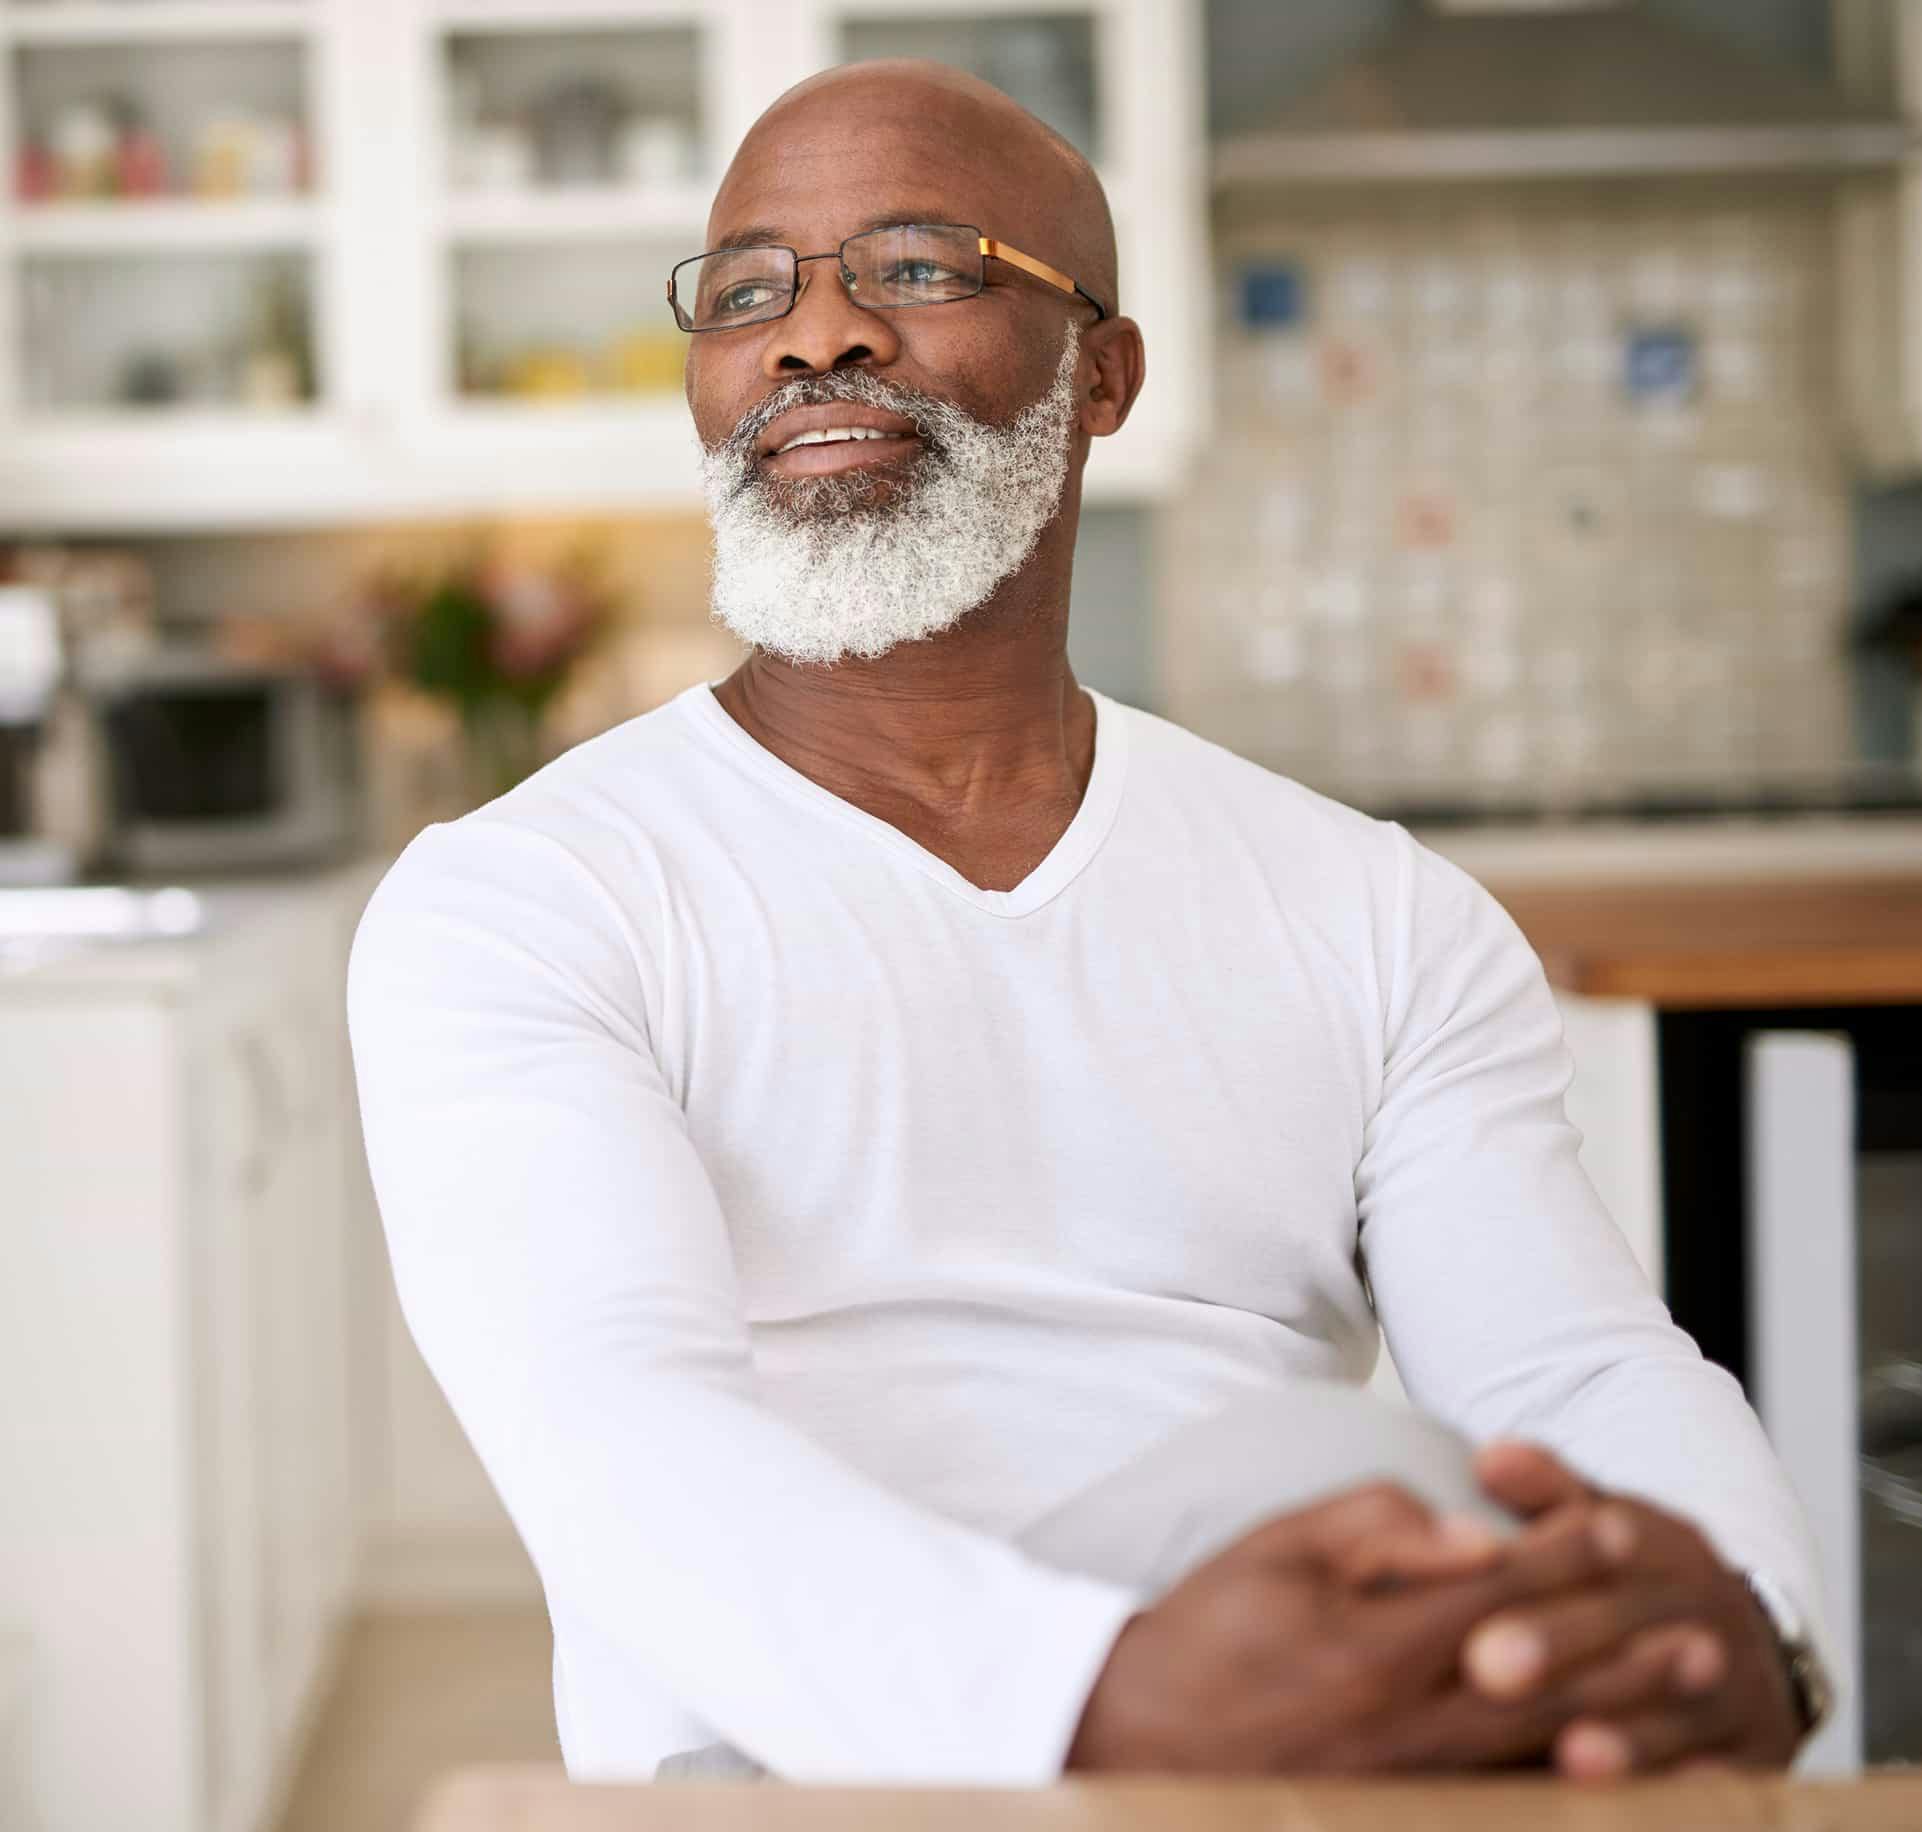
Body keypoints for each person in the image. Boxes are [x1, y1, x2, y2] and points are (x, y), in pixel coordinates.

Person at [347, 59, 1830, 1788]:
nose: (814, 336)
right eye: (749, 290)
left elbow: (1572, 1371)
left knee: (1456, 1536)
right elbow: (614, 1430)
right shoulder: (528, 895)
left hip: (1293, 1706)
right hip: (780, 1762)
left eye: (918, 266)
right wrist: (1094, 1701)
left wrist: (1745, 1628)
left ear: (1103, 374)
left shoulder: (1370, 909)